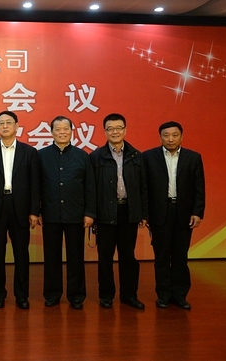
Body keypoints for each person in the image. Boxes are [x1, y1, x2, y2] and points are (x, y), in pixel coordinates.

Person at [143, 121, 205, 310]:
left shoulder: (193, 157)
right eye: (166, 135)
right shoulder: (148, 157)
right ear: (160, 137)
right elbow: (144, 188)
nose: (170, 139)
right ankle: (163, 295)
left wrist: (197, 212)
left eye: (175, 135)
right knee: (161, 256)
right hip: (159, 213)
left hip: (183, 213)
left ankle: (179, 295)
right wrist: (145, 214)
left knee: (180, 256)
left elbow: (199, 187)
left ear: (181, 136)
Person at [89, 113, 148, 310]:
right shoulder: (96, 157)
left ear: (125, 130)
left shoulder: (137, 156)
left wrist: (143, 213)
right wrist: (93, 214)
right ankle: (106, 295)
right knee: (105, 257)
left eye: (119, 128)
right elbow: (91, 189)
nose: (115, 132)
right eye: (110, 129)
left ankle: (129, 295)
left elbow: (143, 187)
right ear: (105, 131)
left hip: (128, 212)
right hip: (105, 213)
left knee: (128, 256)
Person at [0, 111, 40, 310]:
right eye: (1, 123)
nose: (5, 126)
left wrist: (34, 211)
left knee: (21, 254)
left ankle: (22, 295)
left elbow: (35, 184)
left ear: (17, 126)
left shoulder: (29, 152)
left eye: (9, 122)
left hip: (21, 209)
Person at [38, 116, 96, 309]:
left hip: (76, 214)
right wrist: (37, 210)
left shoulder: (82, 156)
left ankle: (76, 295)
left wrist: (89, 213)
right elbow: (36, 186)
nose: (62, 132)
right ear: (51, 132)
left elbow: (90, 187)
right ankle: (52, 294)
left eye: (66, 129)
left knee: (76, 257)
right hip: (50, 213)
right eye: (58, 129)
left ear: (72, 131)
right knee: (51, 256)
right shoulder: (41, 156)